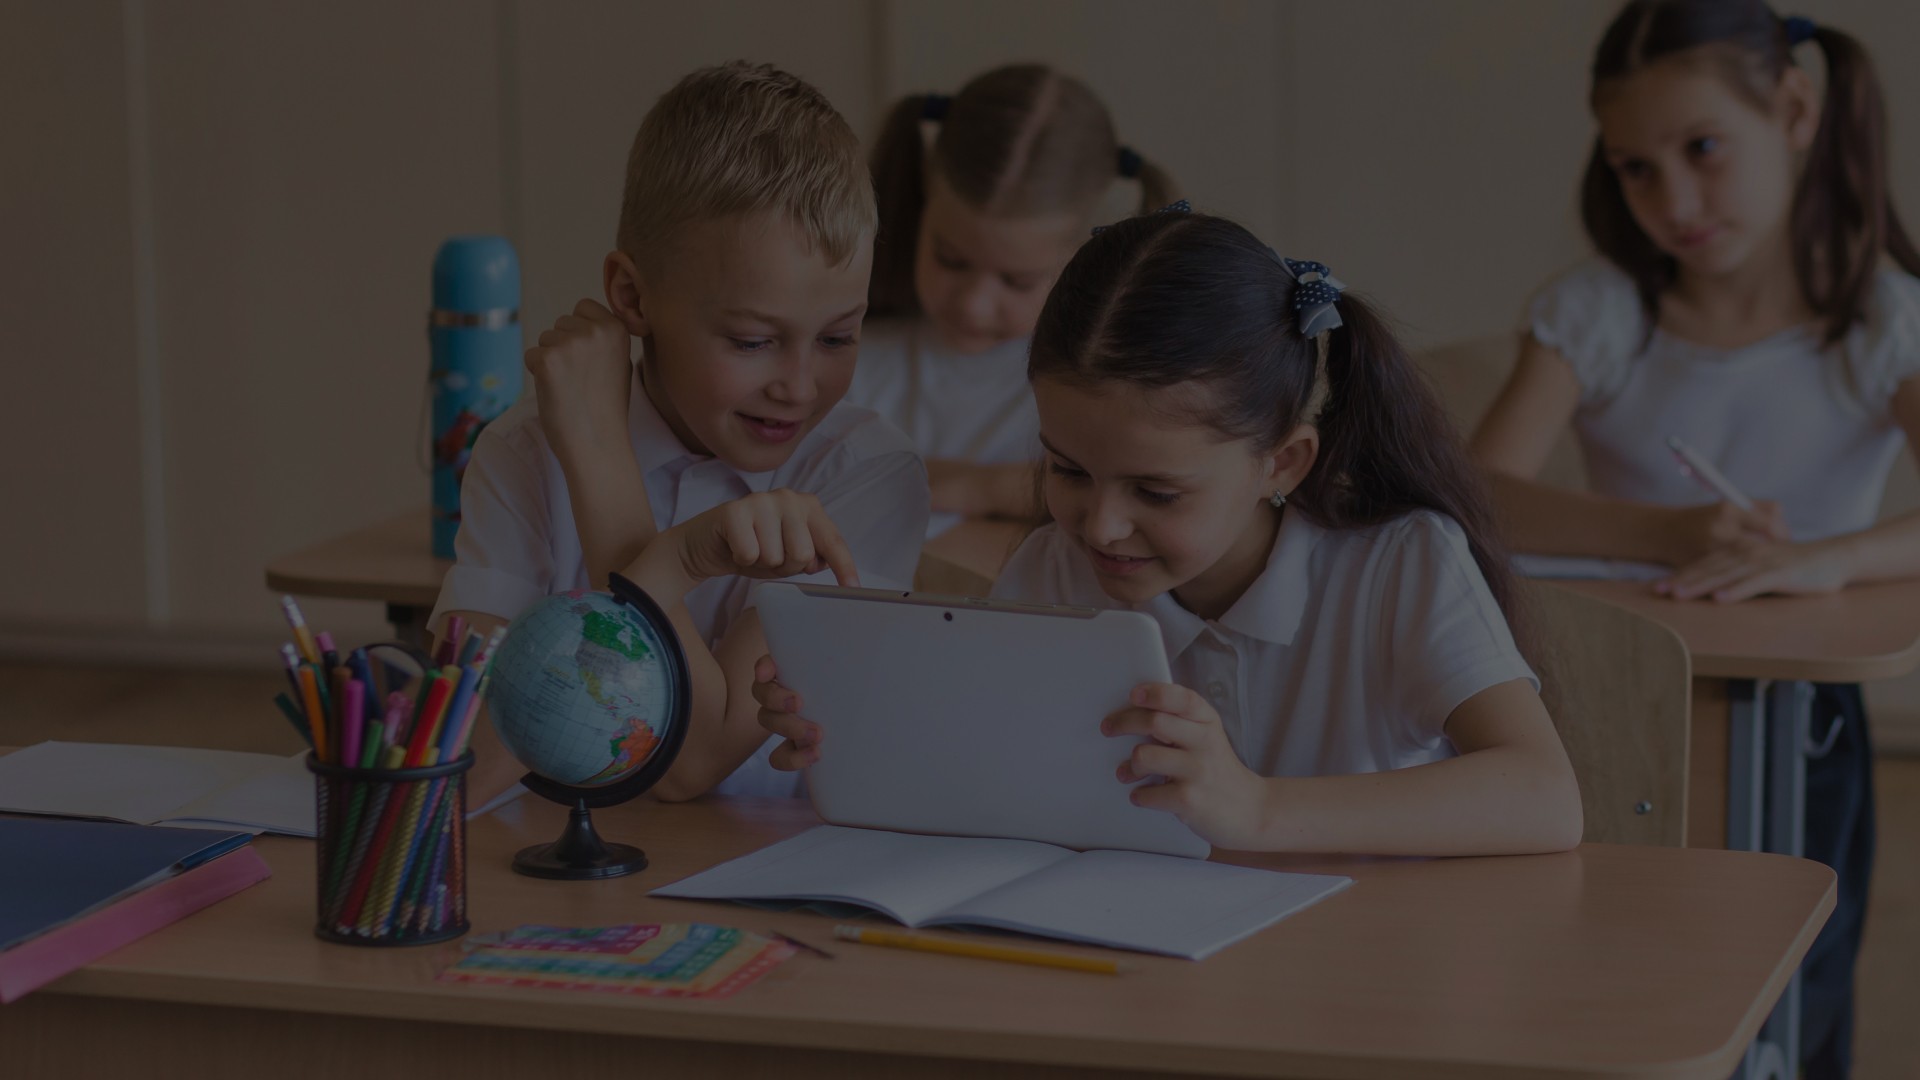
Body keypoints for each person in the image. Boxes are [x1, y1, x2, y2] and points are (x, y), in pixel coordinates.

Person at [760, 208, 1583, 857]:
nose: (1100, 525)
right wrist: (857, 741)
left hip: (1366, 982)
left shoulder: (1400, 564)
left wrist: (1255, 807)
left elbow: (1545, 797)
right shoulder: (1054, 570)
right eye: (1069, 471)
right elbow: (996, 788)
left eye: (1157, 490)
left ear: (1284, 464)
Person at [1469, 5, 1920, 1073]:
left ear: (1797, 112)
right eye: (1636, 168)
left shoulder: (1876, 319)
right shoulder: (1601, 309)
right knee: (1620, 974)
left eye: (1703, 150)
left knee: (1792, 988)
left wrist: (1822, 556)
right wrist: (1665, 532)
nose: (1672, 200)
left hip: (1796, 714)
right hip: (1607, 698)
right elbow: (1480, 494)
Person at [430, 62, 928, 805]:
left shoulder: (864, 474)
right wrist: (601, 465)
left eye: (837, 338)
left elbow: (692, 764)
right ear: (632, 296)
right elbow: (450, 762)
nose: (798, 385)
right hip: (557, 889)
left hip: (759, 879)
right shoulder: (526, 450)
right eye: (754, 341)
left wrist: (608, 476)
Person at [850, 63, 1177, 534]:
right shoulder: (852, 365)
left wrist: (977, 486)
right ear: (923, 201)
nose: (973, 305)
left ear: (1083, 253)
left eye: (1017, 281)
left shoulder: (1110, 395)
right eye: (951, 260)